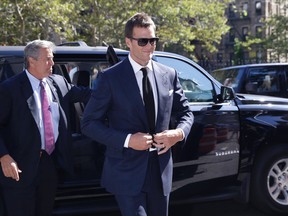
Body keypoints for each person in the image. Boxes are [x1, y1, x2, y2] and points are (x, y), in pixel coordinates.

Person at [81, 12, 194, 216]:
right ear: (128, 42)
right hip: (126, 171)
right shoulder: (110, 78)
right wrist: (127, 140)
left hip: (160, 170)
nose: (149, 46)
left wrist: (177, 134)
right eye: (143, 41)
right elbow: (89, 123)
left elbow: (186, 112)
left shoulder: (169, 74)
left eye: (153, 40)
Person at [0, 40, 91, 216]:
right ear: (31, 61)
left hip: (49, 164)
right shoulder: (9, 89)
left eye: (52, 58)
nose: (52, 63)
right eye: (47, 59)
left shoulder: (58, 82)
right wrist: (4, 156)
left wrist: (115, 88)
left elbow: (87, 94)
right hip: (18, 167)